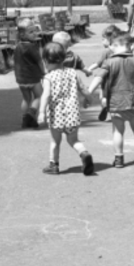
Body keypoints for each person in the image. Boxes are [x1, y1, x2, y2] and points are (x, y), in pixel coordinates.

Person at [85, 32, 134, 168]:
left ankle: (119, 159)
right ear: (131, 47)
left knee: (118, 131)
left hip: (115, 104)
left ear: (113, 47)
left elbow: (98, 78)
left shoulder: (109, 62)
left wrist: (89, 92)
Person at [38, 42, 96, 175]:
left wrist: (41, 112)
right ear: (63, 58)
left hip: (56, 117)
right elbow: (83, 89)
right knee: (73, 140)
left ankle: (54, 165)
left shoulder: (48, 77)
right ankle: (84, 154)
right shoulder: (72, 72)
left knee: (55, 142)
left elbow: (46, 95)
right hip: (72, 115)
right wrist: (89, 99)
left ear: (45, 61)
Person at [14, 18, 44, 129]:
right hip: (33, 77)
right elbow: (39, 61)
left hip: (21, 78)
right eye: (31, 32)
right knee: (40, 96)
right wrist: (44, 72)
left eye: (35, 31)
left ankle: (25, 119)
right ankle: (30, 115)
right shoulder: (32, 47)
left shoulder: (18, 46)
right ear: (22, 34)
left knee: (26, 99)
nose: (34, 34)